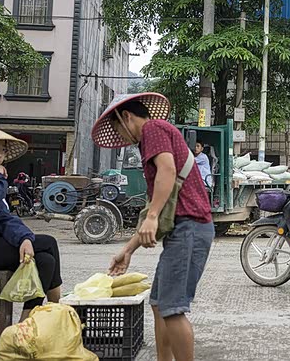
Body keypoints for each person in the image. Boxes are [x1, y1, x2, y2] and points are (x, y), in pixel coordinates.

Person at [91, 93, 214, 361]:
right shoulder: (156, 133)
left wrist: (153, 215)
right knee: (159, 304)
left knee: (172, 308)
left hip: (190, 227)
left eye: (118, 130)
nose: (121, 137)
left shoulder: (153, 129)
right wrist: (128, 250)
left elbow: (167, 171)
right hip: (185, 228)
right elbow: (157, 205)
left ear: (127, 117)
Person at [0, 123, 62, 320]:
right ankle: (58, 310)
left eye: (2, 150)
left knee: (46, 261)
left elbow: (4, 218)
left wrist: (24, 238)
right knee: (48, 243)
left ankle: (26, 321)